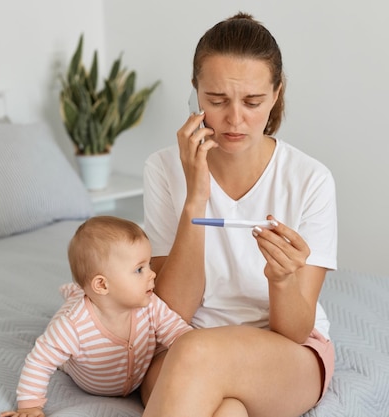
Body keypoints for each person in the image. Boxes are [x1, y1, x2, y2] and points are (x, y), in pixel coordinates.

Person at [140, 12, 337, 417]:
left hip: (286, 352)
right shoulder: (162, 170)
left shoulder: (310, 179)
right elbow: (173, 309)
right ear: (196, 92)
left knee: (195, 353)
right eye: (216, 100)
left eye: (252, 102)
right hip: (185, 340)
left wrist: (282, 279)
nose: (234, 119)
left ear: (276, 94)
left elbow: (295, 331)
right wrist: (196, 195)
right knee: (227, 410)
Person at [0, 216, 192, 417]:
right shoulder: (73, 326)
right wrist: (30, 407)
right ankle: (74, 295)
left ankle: (76, 291)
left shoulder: (151, 306)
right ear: (102, 284)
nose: (152, 274)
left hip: (134, 379)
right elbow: (39, 362)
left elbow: (180, 335)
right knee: (58, 340)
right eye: (139, 269)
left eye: (149, 265)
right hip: (84, 370)